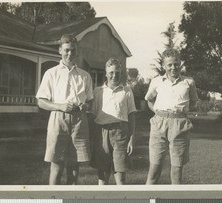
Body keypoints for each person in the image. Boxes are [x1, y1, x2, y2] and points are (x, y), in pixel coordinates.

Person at [36, 34, 93, 185]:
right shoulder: (51, 73)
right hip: (58, 120)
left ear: (77, 51)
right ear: (60, 50)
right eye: (66, 50)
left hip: (79, 122)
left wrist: (85, 106)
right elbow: (41, 102)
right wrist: (59, 106)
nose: (70, 54)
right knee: (57, 166)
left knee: (74, 167)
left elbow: (90, 102)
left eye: (73, 50)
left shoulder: (85, 76)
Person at [145, 48, 198, 184]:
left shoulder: (188, 82)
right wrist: (159, 113)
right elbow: (149, 100)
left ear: (180, 63)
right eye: (169, 65)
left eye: (176, 64)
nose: (173, 67)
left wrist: (181, 113)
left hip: (180, 125)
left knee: (176, 172)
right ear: (164, 66)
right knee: (154, 170)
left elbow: (193, 102)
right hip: (159, 125)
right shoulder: (157, 81)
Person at [90, 57, 137, 185]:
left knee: (120, 176)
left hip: (121, 133)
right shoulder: (98, 92)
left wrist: (131, 139)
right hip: (101, 132)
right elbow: (92, 116)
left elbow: (131, 116)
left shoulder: (127, 91)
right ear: (106, 73)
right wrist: (91, 139)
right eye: (111, 72)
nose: (114, 75)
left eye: (117, 72)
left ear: (121, 73)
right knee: (103, 175)